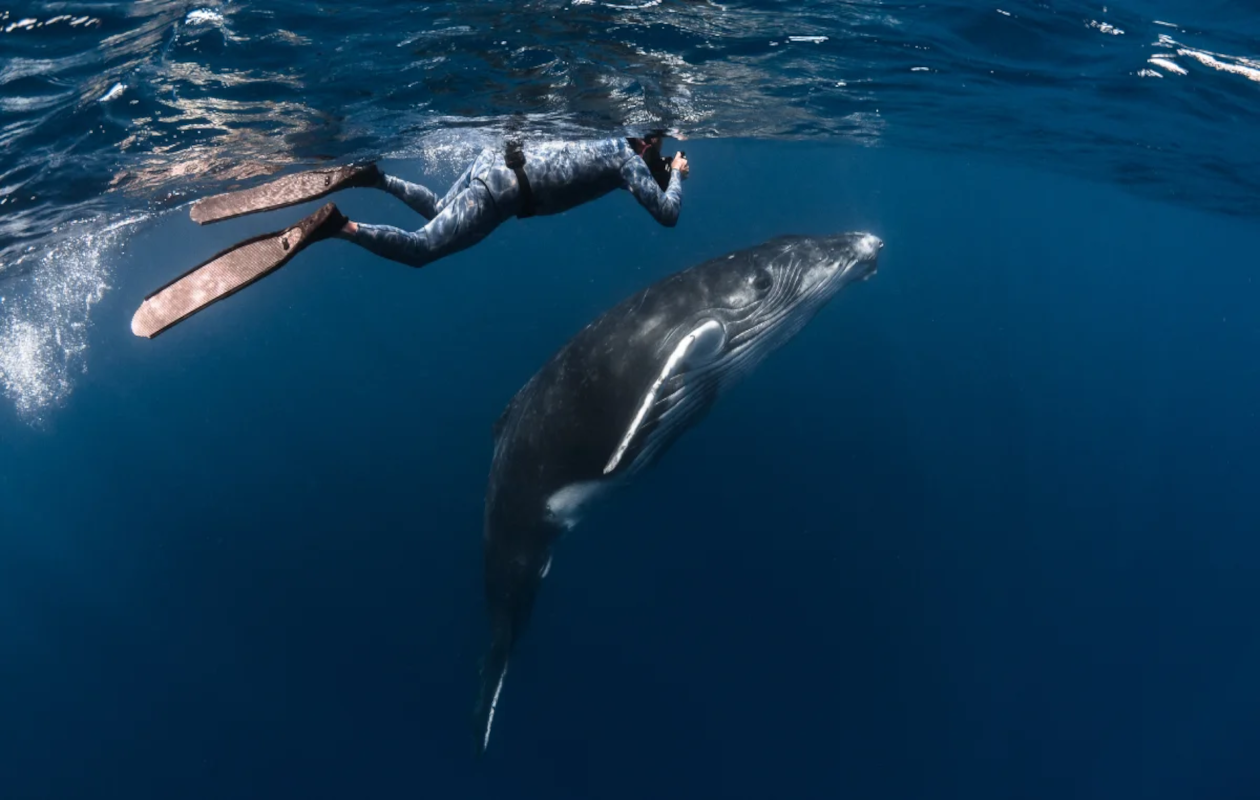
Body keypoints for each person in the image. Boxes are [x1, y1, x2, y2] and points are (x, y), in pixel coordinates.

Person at [131, 132, 690, 338]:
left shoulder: (599, 133)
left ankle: (375, 177)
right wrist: (680, 179)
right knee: (423, 250)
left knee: (440, 215)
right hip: (504, 195)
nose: (660, 163)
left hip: (494, 163)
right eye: (659, 155)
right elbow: (667, 215)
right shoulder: (627, 160)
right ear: (648, 146)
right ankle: (339, 225)